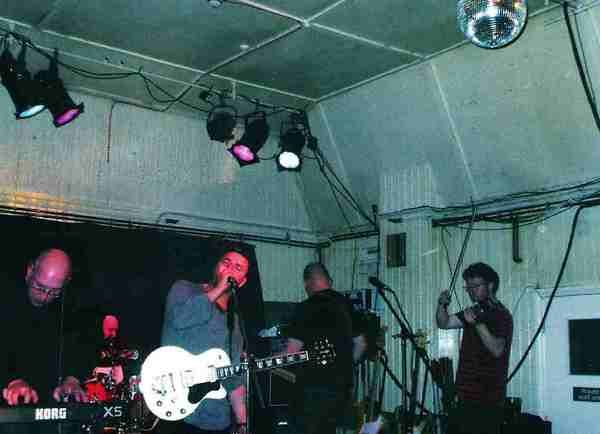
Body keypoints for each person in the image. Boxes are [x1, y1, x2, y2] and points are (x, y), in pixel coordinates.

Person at [161, 247, 249, 434]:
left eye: (238, 268)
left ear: (242, 282)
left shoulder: (234, 323)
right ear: (216, 267)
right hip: (173, 407)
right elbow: (179, 319)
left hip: (213, 417)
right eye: (226, 263)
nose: (230, 269)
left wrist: (243, 422)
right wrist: (219, 289)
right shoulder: (185, 289)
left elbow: (233, 378)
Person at [0, 248, 87, 408]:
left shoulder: (72, 307)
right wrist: (12, 380)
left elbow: (81, 346)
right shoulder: (5, 296)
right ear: (29, 272)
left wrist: (72, 379)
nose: (45, 297)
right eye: (39, 287)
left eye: (54, 291)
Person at [436, 262, 513, 434]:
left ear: (490, 285)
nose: (471, 291)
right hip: (465, 395)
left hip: (487, 399)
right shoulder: (476, 311)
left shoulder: (501, 315)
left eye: (475, 286)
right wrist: (441, 304)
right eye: (468, 287)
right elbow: (444, 323)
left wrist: (477, 324)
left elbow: (497, 350)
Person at [284, 262, 354, 434]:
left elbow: (291, 352)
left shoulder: (305, 308)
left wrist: (268, 361)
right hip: (341, 389)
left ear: (307, 282)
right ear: (329, 280)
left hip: (312, 391)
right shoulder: (347, 305)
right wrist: (345, 364)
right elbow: (362, 343)